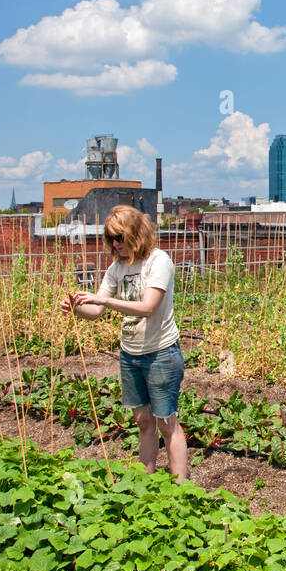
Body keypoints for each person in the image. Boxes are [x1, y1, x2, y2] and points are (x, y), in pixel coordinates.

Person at [60, 205, 189, 480]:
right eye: (111, 239)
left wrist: (104, 300)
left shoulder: (158, 261)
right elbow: (95, 312)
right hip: (131, 354)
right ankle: (146, 480)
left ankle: (181, 486)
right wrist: (76, 308)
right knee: (143, 421)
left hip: (161, 353)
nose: (115, 244)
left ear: (135, 234)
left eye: (119, 237)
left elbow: (147, 307)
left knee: (167, 422)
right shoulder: (117, 268)